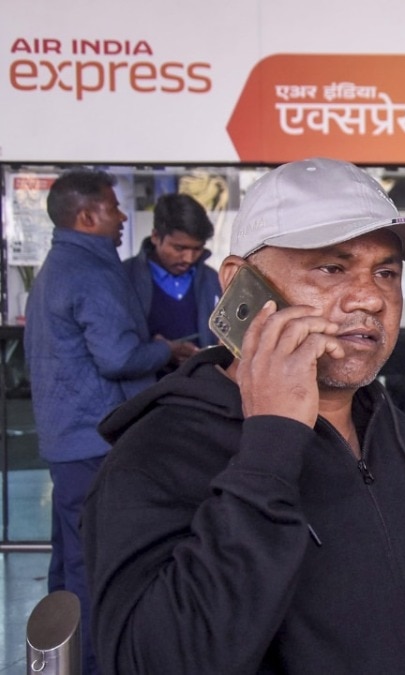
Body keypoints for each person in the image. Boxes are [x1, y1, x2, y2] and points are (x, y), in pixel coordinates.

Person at [82, 157, 405, 673]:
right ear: (239, 283)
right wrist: (270, 449)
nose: (370, 298)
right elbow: (155, 662)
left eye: (386, 272)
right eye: (331, 268)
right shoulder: (155, 456)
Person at [24, 170, 190, 675]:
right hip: (94, 441)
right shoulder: (92, 272)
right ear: (86, 215)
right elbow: (118, 357)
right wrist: (165, 349)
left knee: (68, 563)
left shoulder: (58, 265)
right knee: (94, 568)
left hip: (66, 441)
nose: (122, 217)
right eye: (113, 207)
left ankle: (58, 663)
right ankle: (92, 666)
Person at [124, 193, 223, 373]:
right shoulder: (125, 277)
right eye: (179, 248)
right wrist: (162, 351)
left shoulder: (212, 279)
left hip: (201, 384)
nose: (189, 258)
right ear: (155, 236)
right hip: (146, 386)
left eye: (197, 249)